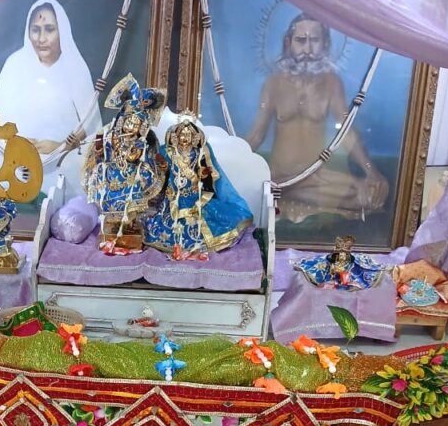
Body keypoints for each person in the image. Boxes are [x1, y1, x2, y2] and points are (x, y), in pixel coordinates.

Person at [245, 14, 389, 225]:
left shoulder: (331, 83)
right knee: (266, 187)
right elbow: (257, 135)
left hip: (316, 178)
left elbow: (346, 132)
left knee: (367, 197)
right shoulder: (273, 83)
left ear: (325, 44)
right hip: (279, 176)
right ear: (288, 43)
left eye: (314, 40)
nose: (308, 49)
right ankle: (285, 193)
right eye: (301, 40)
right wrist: (229, 162)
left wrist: (371, 170)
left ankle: (286, 196)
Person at [0, 0, 101, 163]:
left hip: (64, 164)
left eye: (49, 29)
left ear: (62, 31)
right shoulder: (15, 64)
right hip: (15, 162)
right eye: (35, 30)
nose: (41, 38)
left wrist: (61, 147)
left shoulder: (76, 69)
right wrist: (13, 142)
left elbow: (90, 126)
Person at [143, 117, 253, 257]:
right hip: (173, 199)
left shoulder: (199, 152)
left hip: (194, 196)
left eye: (188, 135)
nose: (185, 138)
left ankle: (200, 241)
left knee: (209, 220)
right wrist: (163, 167)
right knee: (164, 224)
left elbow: (205, 172)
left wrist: (204, 173)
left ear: (194, 138)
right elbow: (161, 171)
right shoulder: (168, 151)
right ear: (175, 136)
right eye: (182, 134)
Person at [84, 74, 167, 249]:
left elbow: (142, 156)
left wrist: (138, 152)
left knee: (138, 184)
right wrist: (100, 148)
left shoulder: (142, 140)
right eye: (129, 123)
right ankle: (113, 226)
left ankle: (129, 225)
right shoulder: (110, 135)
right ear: (122, 121)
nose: (132, 127)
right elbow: (100, 155)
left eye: (136, 125)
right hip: (111, 173)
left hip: (132, 175)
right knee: (103, 180)